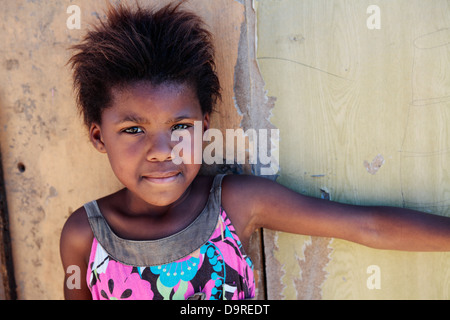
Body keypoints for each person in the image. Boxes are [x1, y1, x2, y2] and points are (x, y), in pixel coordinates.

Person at [60, 2, 450, 300]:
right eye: (133, 129)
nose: (162, 151)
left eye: (180, 127)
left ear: (205, 127)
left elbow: (367, 226)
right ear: (98, 136)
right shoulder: (84, 236)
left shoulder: (235, 203)